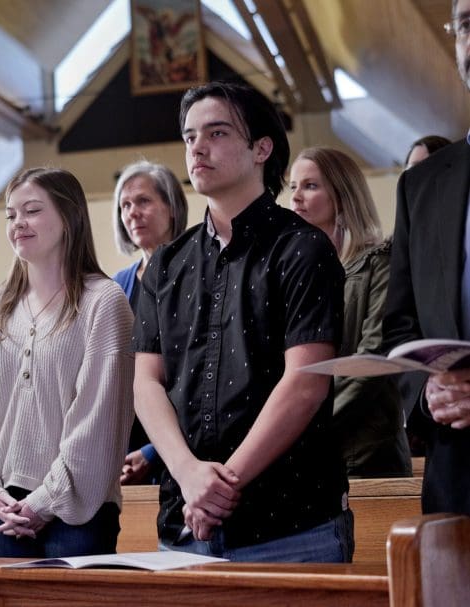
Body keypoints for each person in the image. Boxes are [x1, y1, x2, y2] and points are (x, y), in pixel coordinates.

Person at [132, 81, 352, 562]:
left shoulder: (302, 249)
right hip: (185, 523)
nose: (198, 148)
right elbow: (145, 383)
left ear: (261, 149)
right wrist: (190, 476)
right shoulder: (167, 264)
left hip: (290, 524)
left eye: (216, 133)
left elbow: (306, 382)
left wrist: (222, 483)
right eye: (190, 137)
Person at [0, 167, 134, 558]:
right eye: (10, 215)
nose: (18, 222)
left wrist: (44, 501)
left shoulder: (104, 302)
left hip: (78, 510)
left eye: (32, 210)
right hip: (2, 510)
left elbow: (98, 417)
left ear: (69, 216)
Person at [382, 0, 470, 516]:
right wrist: (428, 393)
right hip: (457, 478)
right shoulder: (422, 186)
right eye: (465, 25)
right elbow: (401, 326)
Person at [289, 147, 411, 477]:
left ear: (342, 195)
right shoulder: (295, 273)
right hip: (308, 453)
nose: (296, 197)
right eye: (293, 187)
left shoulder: (379, 263)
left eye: (310, 186)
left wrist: (305, 424)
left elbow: (372, 358)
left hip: (366, 451)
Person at [112, 160, 188, 485]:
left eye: (143, 201)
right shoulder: (117, 285)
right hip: (126, 453)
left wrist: (153, 451)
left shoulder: (198, 275)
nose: (132, 212)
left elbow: (199, 376)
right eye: (125, 205)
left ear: (170, 207)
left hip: (185, 445)